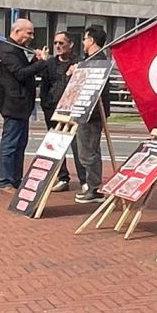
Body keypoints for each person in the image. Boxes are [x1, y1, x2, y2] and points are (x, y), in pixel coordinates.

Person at [0, 18, 48, 191]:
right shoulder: (8, 51)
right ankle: (5, 181)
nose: (31, 37)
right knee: (10, 144)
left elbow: (23, 69)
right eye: (29, 33)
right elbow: (21, 74)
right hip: (13, 104)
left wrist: (34, 61)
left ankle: (16, 178)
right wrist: (42, 63)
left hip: (21, 105)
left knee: (20, 143)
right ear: (17, 32)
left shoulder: (16, 50)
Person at [73, 25, 109, 203]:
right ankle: (93, 186)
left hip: (90, 113)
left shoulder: (97, 62)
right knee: (89, 149)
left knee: (88, 151)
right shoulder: (93, 60)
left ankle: (94, 189)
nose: (83, 42)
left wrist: (78, 73)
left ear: (92, 40)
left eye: (85, 39)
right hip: (87, 111)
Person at [38, 30, 75, 191]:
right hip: (52, 108)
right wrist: (45, 104)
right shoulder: (50, 63)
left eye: (61, 43)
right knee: (55, 144)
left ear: (70, 44)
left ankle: (85, 179)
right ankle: (62, 177)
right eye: (56, 43)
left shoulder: (77, 62)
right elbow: (44, 84)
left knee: (77, 145)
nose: (58, 46)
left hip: (71, 110)